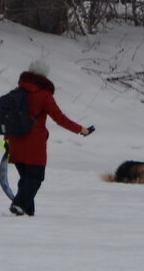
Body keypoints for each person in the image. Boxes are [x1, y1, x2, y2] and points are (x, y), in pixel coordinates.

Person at [7, 61, 93, 217]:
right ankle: (18, 205)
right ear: (44, 76)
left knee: (26, 178)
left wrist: (7, 141)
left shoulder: (17, 91)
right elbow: (60, 118)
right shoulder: (44, 95)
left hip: (15, 141)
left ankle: (27, 212)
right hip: (34, 144)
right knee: (35, 177)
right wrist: (81, 129)